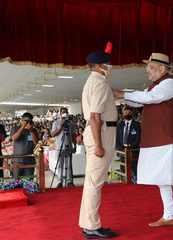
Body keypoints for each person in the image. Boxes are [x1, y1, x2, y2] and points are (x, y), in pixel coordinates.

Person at [114, 52, 173, 231]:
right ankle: (169, 215)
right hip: (156, 139)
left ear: (162, 68)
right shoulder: (155, 86)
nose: (147, 71)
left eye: (151, 67)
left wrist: (121, 93)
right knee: (162, 178)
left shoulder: (169, 83)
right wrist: (119, 96)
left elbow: (148, 98)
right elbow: (139, 102)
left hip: (168, 138)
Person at [79, 43, 118, 239]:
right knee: (95, 183)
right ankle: (91, 227)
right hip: (101, 133)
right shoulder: (100, 82)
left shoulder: (93, 80)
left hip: (100, 131)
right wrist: (99, 145)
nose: (111, 66)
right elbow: (95, 116)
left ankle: (89, 224)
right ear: (100, 65)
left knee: (92, 182)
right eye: (109, 63)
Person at [51, 107, 77, 188]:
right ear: (60, 113)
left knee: (69, 164)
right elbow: (53, 134)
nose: (65, 113)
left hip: (68, 145)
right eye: (63, 112)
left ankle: (69, 180)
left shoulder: (71, 123)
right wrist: (60, 127)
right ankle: (60, 181)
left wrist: (74, 145)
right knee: (60, 165)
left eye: (66, 112)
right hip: (59, 146)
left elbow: (73, 135)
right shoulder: (56, 123)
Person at [10, 112, 39, 177]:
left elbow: (36, 143)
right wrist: (22, 127)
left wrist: (31, 130)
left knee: (28, 181)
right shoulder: (15, 129)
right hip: (17, 160)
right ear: (22, 119)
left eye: (29, 120)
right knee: (16, 180)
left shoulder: (33, 130)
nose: (27, 122)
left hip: (29, 160)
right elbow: (14, 138)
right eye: (26, 120)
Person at [116, 107, 141, 177]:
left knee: (134, 169)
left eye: (129, 113)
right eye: (126, 113)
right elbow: (117, 139)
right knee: (123, 170)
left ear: (132, 114)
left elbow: (138, 138)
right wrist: (121, 149)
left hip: (133, 151)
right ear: (123, 114)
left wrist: (129, 149)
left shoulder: (137, 125)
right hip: (122, 152)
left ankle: (136, 182)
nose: (128, 114)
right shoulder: (119, 126)